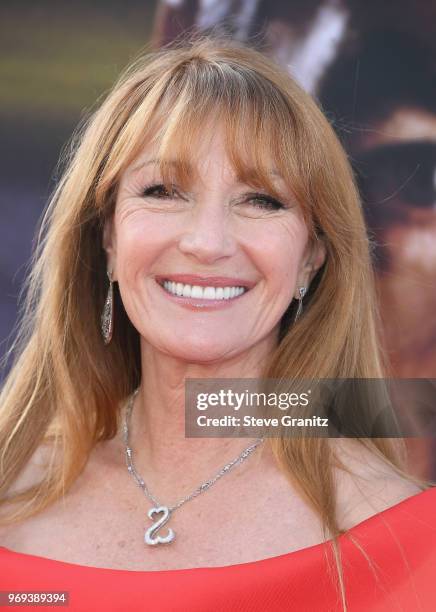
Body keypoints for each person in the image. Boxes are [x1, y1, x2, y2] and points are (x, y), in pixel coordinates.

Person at [0, 34, 435, 612]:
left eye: (261, 200)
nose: (207, 243)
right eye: (162, 190)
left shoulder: (408, 545)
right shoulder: (11, 495)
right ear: (107, 236)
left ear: (313, 255)